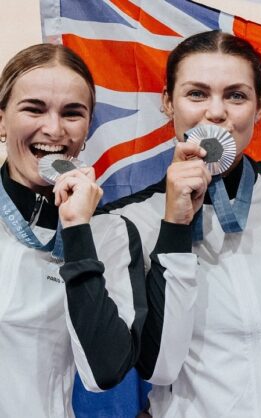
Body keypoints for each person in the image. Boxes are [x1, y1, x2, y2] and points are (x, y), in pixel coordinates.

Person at [103, 31, 261, 417]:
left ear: (259, 108)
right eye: (197, 94)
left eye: (236, 95)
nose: (216, 112)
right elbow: (158, 367)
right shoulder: (129, 221)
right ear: (168, 102)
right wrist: (175, 226)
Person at [0, 44, 146, 417]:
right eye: (34, 108)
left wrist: (78, 229)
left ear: (87, 129)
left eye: (72, 113)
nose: (53, 128)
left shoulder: (110, 233)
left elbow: (106, 371)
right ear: (2, 121)